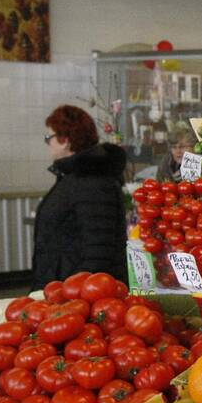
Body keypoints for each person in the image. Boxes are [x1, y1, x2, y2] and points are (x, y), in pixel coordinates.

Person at [32, 105, 128, 290]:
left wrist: (75, 296)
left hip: (79, 295)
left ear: (65, 140)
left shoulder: (93, 180)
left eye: (48, 138)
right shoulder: (73, 177)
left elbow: (98, 251)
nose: (48, 144)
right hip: (62, 287)